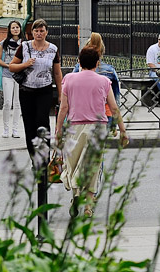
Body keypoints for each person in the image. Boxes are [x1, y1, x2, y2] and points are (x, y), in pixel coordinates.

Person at [55, 46, 128, 216]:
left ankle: (75, 196)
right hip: (97, 128)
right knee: (93, 166)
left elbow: (63, 108)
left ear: (79, 61)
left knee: (73, 164)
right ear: (97, 63)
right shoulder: (103, 81)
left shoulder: (69, 79)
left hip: (74, 127)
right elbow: (114, 108)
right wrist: (123, 131)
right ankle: (88, 205)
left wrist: (59, 131)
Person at [8, 19, 63, 155]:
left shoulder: (53, 49)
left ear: (46, 32)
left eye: (41, 31)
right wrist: (25, 64)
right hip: (26, 90)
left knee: (42, 121)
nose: (39, 33)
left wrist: (61, 94)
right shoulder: (25, 46)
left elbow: (57, 72)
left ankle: (45, 156)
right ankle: (33, 156)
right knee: (29, 124)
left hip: (44, 90)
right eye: (36, 31)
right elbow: (12, 67)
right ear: (32, 32)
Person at [73, 33, 122, 132]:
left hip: (81, 114)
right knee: (99, 144)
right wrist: (115, 125)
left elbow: (71, 93)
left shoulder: (78, 69)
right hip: (104, 114)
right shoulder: (110, 71)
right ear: (102, 52)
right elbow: (115, 99)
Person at [0, 20, 24, 139]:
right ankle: (6, 129)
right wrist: (8, 65)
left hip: (20, 75)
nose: (15, 29)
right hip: (7, 74)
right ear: (9, 30)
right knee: (7, 103)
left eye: (17, 27)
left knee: (17, 103)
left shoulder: (25, 43)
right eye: (13, 27)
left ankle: (15, 129)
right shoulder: (4, 43)